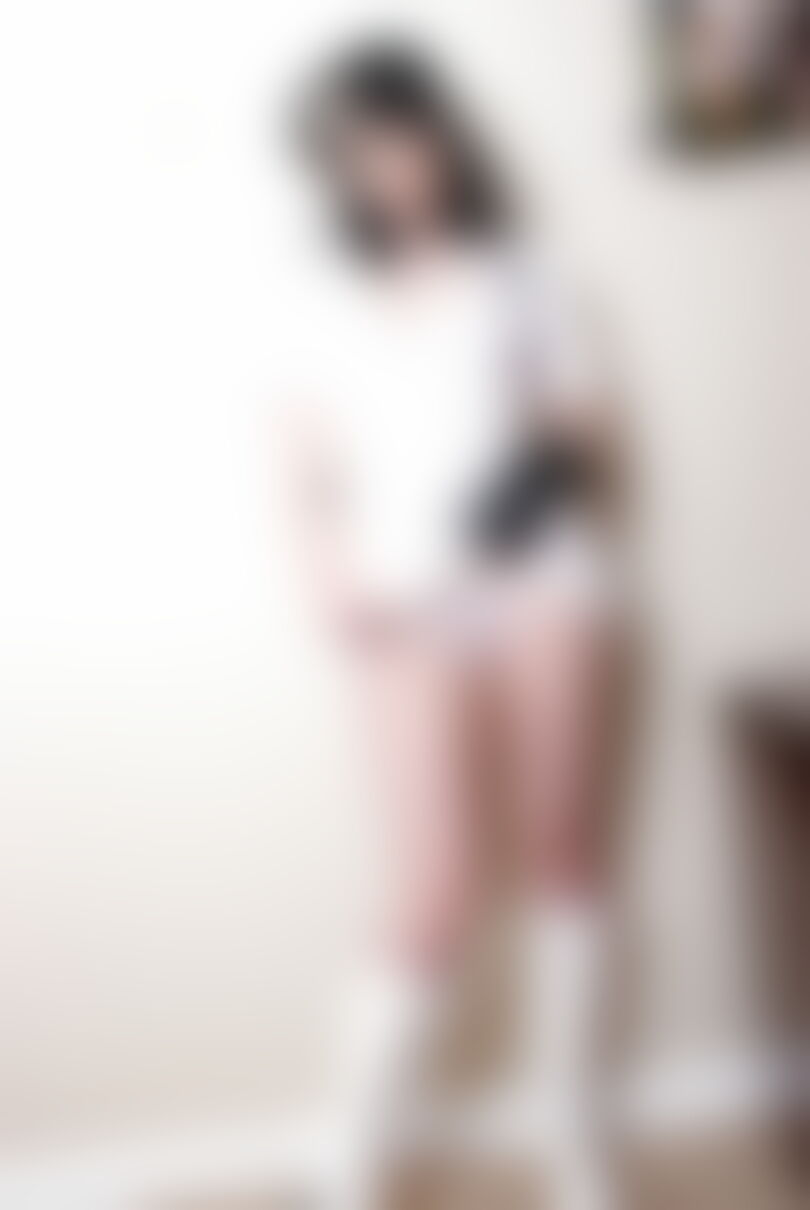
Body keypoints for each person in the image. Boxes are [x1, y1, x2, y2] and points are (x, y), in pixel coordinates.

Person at [281, 40, 624, 1210]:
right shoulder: (316, 298)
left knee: (562, 846)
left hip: (538, 579)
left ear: (441, 134)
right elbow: (302, 470)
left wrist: (506, 505)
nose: (391, 164)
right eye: (361, 148)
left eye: (405, 134)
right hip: (403, 601)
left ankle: (570, 1142)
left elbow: (584, 429)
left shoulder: (525, 270)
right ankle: (346, 1162)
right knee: (432, 882)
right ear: (338, 165)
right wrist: (329, 576)